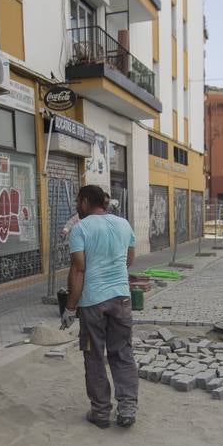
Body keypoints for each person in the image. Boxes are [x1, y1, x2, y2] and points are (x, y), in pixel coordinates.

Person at [64, 184, 139, 429]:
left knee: (94, 356)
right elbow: (128, 259)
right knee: (123, 353)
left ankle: (101, 412)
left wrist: (70, 307)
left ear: (85, 202)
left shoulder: (80, 229)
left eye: (78, 202)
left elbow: (78, 270)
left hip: (92, 304)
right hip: (122, 299)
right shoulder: (124, 225)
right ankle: (127, 408)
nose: (77, 206)